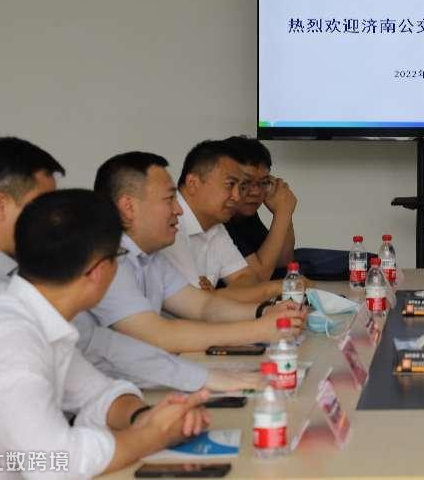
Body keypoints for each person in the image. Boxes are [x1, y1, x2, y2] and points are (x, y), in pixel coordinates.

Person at [0, 189, 211, 478]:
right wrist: (154, 435)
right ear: (99, 271)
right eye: (118, 257)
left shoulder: (29, 313)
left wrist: (144, 416)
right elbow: (56, 463)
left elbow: (97, 392)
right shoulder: (10, 338)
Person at [0, 137, 241, 392]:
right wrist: (199, 380)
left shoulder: (11, 266)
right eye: (41, 207)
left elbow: (94, 345)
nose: (52, 219)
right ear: (0, 206)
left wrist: (199, 380)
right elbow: (85, 353)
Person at [91, 151, 304, 355]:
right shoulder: (106, 261)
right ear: (129, 207)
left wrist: (264, 311)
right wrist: (260, 329)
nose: (178, 210)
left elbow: (204, 306)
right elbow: (160, 334)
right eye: (169, 199)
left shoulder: (151, 257)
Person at [160, 140, 283, 302]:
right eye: (230, 185)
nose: (237, 197)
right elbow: (195, 302)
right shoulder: (168, 225)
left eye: (240, 187)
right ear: (193, 184)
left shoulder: (214, 225)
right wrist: (280, 287)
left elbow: (247, 279)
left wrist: (215, 296)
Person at [222, 135, 297, 281]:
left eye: (263, 183)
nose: (256, 192)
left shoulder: (245, 216)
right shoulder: (219, 219)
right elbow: (257, 278)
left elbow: (282, 262)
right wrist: (283, 212)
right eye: (246, 183)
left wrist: (283, 210)